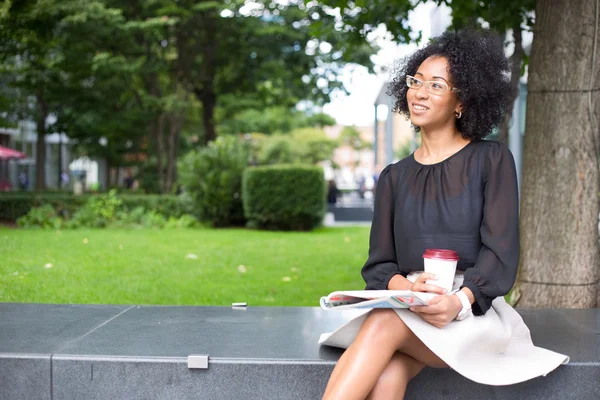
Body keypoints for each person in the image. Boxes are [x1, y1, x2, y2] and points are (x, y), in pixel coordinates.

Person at [321, 29, 568, 400]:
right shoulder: (393, 177)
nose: (419, 93)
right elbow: (378, 266)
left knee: (383, 326)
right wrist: (407, 289)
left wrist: (458, 300)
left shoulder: (492, 159)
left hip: (471, 314)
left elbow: (501, 254)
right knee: (389, 369)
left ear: (461, 102)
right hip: (410, 309)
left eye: (436, 85)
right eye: (415, 81)